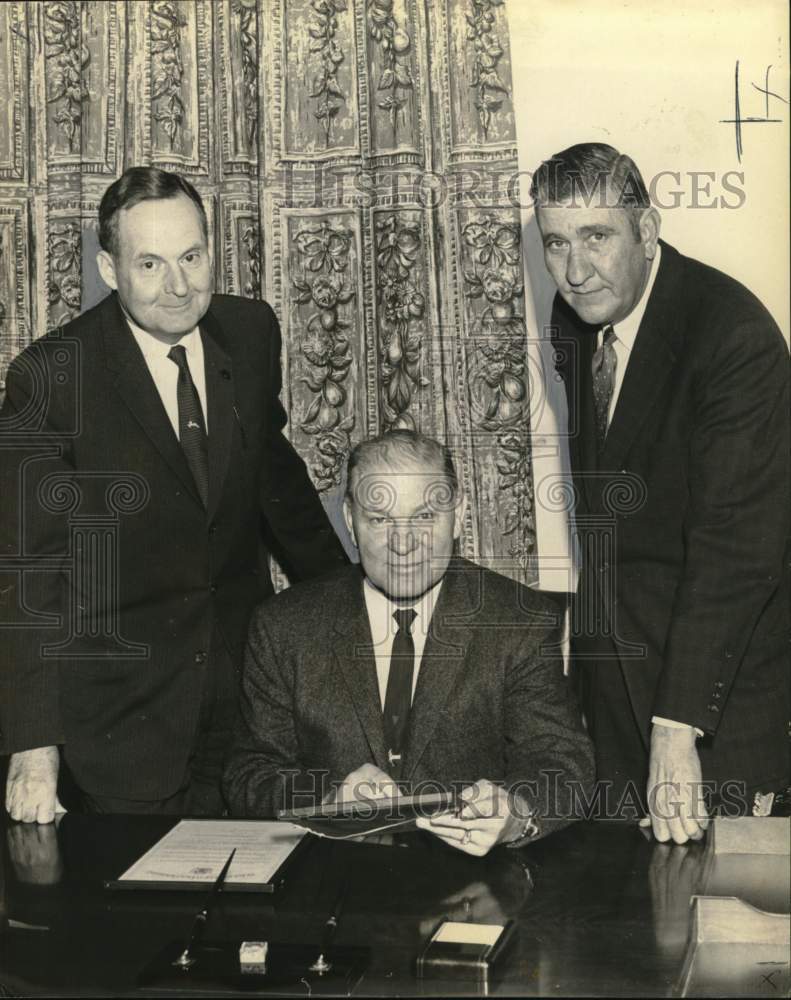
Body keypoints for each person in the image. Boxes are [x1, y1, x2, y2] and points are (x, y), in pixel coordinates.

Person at [0, 167, 348, 821]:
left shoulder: (247, 334)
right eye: (151, 264)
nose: (179, 286)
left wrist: (353, 614)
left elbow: (280, 490)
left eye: (191, 257)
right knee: (136, 920)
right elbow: (28, 578)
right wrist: (33, 748)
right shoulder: (51, 377)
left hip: (246, 706)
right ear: (109, 268)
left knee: (252, 909)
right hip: (119, 721)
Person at [531, 142, 790, 843]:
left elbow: (735, 556)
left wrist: (676, 729)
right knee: (622, 924)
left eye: (596, 237)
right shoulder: (575, 316)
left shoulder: (732, 338)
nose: (575, 270)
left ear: (646, 231)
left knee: (726, 938)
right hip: (614, 694)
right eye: (554, 243)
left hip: (714, 711)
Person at [223, 431, 594, 854]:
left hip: (471, 883)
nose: (403, 545)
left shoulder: (517, 621)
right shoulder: (284, 626)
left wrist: (517, 814)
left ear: (459, 513)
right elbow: (249, 773)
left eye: (424, 517)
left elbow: (563, 764)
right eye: (380, 520)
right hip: (330, 877)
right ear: (349, 519)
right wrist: (326, 800)